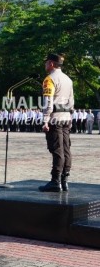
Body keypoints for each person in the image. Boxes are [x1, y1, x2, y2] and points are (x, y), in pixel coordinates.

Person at [39, 53, 74, 192]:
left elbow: (48, 102)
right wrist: (70, 117)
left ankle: (55, 181)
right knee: (66, 149)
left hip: (55, 118)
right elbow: (71, 101)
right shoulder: (68, 79)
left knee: (57, 150)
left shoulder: (49, 79)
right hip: (66, 117)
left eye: (46, 62)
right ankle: (65, 180)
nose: (45, 64)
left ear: (52, 64)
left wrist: (45, 120)